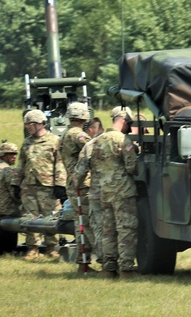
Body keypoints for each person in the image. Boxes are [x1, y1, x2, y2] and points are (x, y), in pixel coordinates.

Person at [90, 106, 140, 279]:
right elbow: (132, 167)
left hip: (105, 191)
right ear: (124, 120)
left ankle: (109, 268)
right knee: (126, 229)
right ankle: (126, 269)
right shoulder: (123, 140)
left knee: (108, 230)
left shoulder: (98, 140)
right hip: (123, 192)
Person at [17, 109, 67, 260]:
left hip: (48, 186)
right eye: (26, 125)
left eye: (30, 124)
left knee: (50, 217)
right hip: (29, 186)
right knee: (30, 218)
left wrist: (60, 185)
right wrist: (15, 183)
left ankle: (51, 248)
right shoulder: (26, 143)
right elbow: (21, 165)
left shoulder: (54, 141)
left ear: (40, 123)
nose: (28, 127)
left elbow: (60, 163)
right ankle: (32, 249)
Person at [73, 117, 104, 266]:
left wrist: (76, 184)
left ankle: (106, 261)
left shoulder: (90, 146)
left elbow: (80, 172)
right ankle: (124, 263)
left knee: (98, 227)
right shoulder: (120, 141)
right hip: (120, 193)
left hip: (97, 193)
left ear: (92, 130)